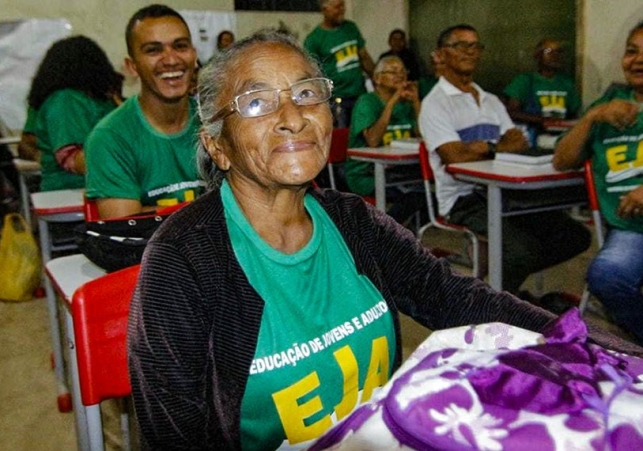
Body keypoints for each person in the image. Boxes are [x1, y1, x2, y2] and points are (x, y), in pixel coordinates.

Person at [127, 29, 643, 451]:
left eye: (307, 93)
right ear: (217, 145)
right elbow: (174, 434)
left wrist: (602, 349)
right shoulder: (182, 258)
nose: (292, 116)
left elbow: (457, 297)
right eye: (257, 102)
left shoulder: (353, 221)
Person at [419, 24, 591, 295]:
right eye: (461, 45)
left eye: (476, 46)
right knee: (521, 251)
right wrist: (497, 146)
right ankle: (491, 300)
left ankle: (499, 287)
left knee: (575, 236)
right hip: (463, 198)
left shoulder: (490, 100)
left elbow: (518, 141)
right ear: (442, 54)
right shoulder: (436, 103)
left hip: (504, 192)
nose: (471, 52)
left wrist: (480, 147)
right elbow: (453, 156)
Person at [553, 21, 643, 345]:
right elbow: (562, 160)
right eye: (632, 51)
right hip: (631, 229)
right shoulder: (608, 106)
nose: (638, 60)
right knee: (606, 275)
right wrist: (593, 117)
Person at [85, 4, 204, 219]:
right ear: (132, 66)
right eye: (153, 50)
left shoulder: (218, 122)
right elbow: (126, 227)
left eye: (180, 46)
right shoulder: (110, 137)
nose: (170, 59)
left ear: (194, 56)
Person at [27, 35, 122, 192]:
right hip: (71, 188)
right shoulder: (65, 100)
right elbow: (71, 156)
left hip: (99, 183)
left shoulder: (98, 99)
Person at [345, 55, 424, 224]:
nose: (400, 75)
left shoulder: (407, 103)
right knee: (416, 194)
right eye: (393, 71)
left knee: (428, 192)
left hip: (400, 170)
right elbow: (373, 141)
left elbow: (422, 135)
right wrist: (392, 101)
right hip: (366, 173)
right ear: (378, 78)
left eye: (403, 71)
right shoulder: (366, 102)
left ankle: (396, 233)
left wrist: (416, 102)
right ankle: (384, 235)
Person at [304, 0, 375, 127]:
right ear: (324, 9)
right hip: (336, 100)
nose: (342, 10)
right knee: (342, 137)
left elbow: (364, 57)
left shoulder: (351, 27)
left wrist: (377, 79)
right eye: (337, 7)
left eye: (343, 6)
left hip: (360, 95)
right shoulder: (314, 40)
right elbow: (312, 74)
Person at [503, 39, 582, 145]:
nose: (555, 55)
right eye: (549, 51)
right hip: (532, 140)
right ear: (537, 55)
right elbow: (511, 112)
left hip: (560, 140)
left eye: (559, 51)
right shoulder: (525, 81)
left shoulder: (567, 84)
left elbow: (573, 114)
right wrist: (542, 120)